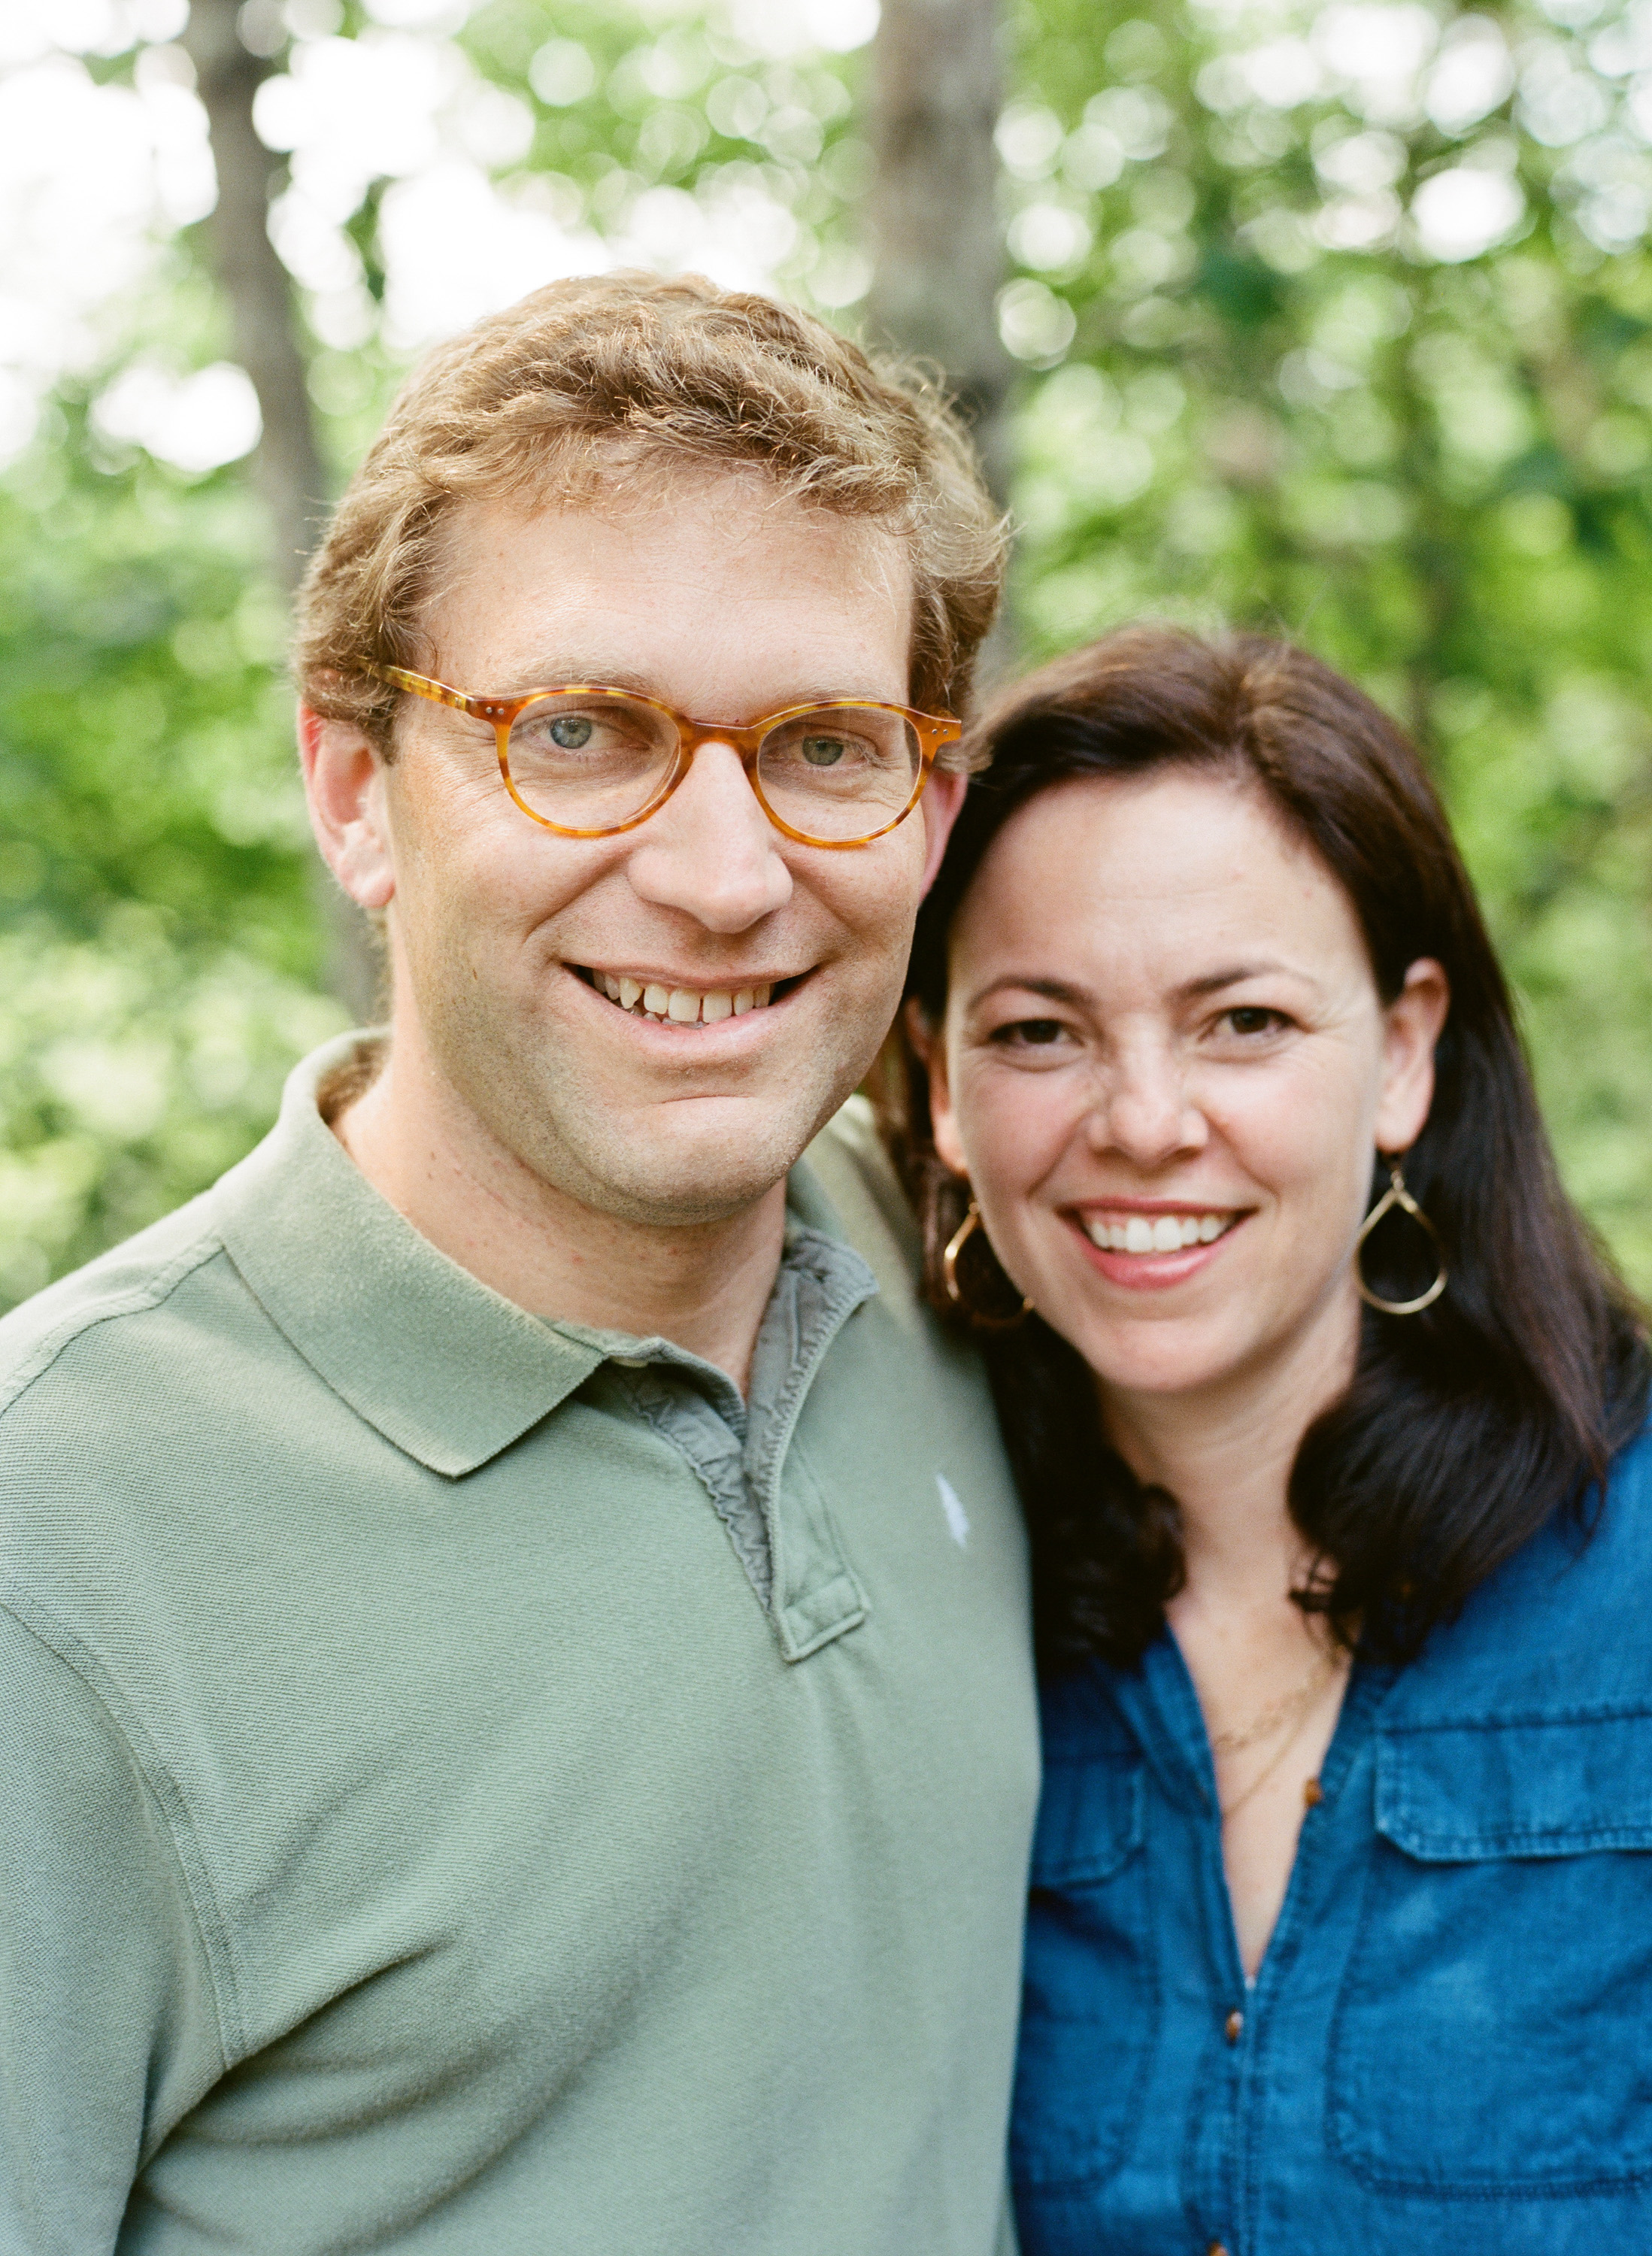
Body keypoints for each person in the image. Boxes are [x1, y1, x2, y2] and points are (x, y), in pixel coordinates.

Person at [0, 274, 1040, 2254]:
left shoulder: (972, 1285)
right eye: (578, 732)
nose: (724, 879)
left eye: (824, 745)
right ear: (352, 791)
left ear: (929, 808)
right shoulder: (53, 1552)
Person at [889, 623, 1652, 2253]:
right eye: (1037, 1032)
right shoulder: (912, 1597)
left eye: (1240, 1021)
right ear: (938, 1085)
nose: (1143, 1122)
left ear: (1401, 1052)